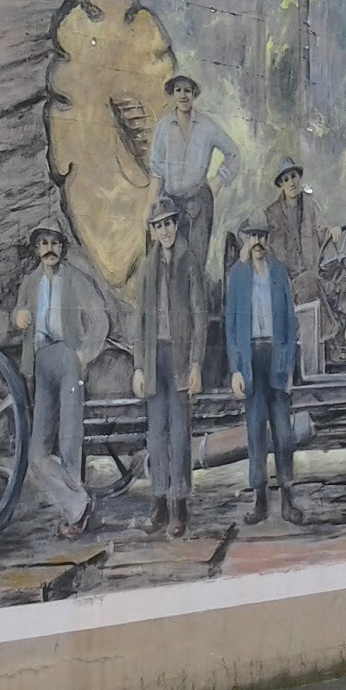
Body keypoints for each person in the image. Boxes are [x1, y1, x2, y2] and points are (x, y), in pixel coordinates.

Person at [13, 215, 110, 540]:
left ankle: (74, 517)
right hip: (41, 361)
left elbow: (100, 319)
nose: (49, 249)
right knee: (36, 454)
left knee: (69, 443)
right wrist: (19, 318)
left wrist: (84, 354)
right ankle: (79, 502)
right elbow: (19, 315)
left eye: (54, 242)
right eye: (43, 243)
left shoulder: (76, 280)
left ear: (62, 247)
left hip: (69, 358)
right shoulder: (29, 282)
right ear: (36, 249)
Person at [225, 209, 307, 526]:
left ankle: (288, 501)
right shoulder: (238, 276)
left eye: (262, 236)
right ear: (246, 238)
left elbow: (290, 321)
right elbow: (231, 328)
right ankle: (260, 501)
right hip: (250, 359)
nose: (258, 241)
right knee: (256, 431)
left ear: (268, 240)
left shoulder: (278, 273)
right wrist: (235, 370)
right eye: (253, 235)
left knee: (284, 435)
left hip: (276, 357)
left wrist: (287, 366)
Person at [133, 196, 206, 537]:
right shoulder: (147, 268)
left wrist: (195, 364)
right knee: (156, 435)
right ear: (152, 232)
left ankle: (180, 506)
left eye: (168, 223)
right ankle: (159, 503)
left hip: (179, 357)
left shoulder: (188, 262)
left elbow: (199, 316)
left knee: (179, 434)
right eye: (158, 225)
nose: (164, 231)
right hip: (154, 357)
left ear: (177, 225)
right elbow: (140, 321)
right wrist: (138, 366)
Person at [264, 156, 346, 370]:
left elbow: (322, 231)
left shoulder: (310, 204)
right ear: (281, 184)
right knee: (311, 281)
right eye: (286, 179)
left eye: (294, 176)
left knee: (345, 277)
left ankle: (339, 336)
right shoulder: (273, 214)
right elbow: (273, 254)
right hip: (290, 283)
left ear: (299, 177)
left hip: (315, 274)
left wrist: (332, 231)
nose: (291, 182)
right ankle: (333, 342)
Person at [146, 73, 240, 276]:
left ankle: (195, 306)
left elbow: (233, 153)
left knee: (195, 264)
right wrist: (150, 212)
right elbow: (156, 172)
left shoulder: (207, 126)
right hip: (171, 204)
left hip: (199, 203)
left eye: (187, 90)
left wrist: (218, 181)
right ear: (173, 93)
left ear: (194, 94)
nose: (183, 95)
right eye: (178, 90)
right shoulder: (163, 127)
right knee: (170, 264)